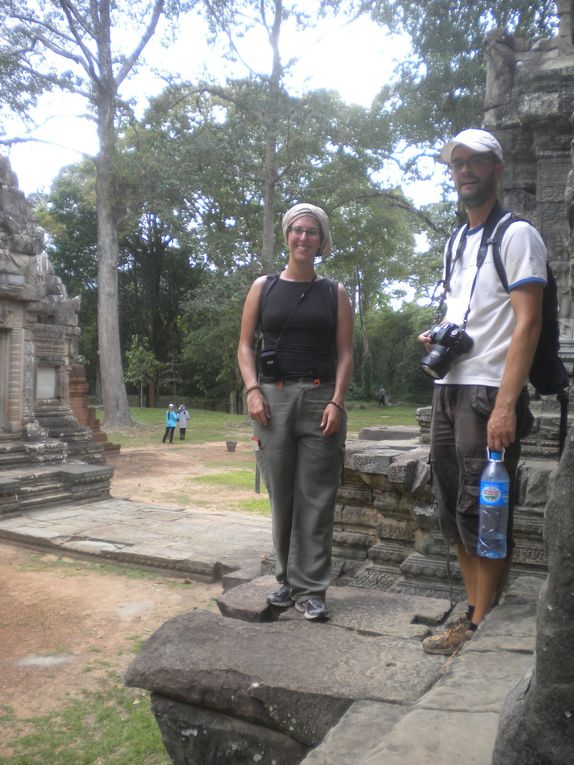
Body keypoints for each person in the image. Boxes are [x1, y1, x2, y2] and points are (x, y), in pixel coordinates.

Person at [418, 129, 546, 655]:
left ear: (498, 169)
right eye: (457, 164)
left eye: (476, 162)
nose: (465, 171)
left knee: (485, 508)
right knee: (453, 508)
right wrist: (438, 334)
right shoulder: (456, 240)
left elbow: (529, 323)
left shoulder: (518, 236)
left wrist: (505, 405)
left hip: (488, 392)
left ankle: (474, 625)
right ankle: (477, 610)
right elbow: (467, 313)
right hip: (449, 388)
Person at [237, 203, 353, 621]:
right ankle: (286, 581)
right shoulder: (263, 287)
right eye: (297, 231)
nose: (303, 238)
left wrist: (338, 400)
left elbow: (345, 352)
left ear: (322, 241)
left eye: (312, 232)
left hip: (321, 400)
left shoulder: (333, 293)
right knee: (281, 495)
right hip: (271, 400)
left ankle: (313, 588)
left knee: (317, 497)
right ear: (287, 236)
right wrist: (252, 390)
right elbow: (245, 345)